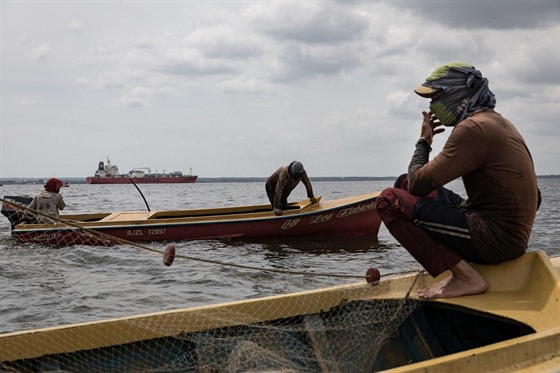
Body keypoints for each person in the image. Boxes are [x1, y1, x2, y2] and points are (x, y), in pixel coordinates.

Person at [376, 62, 540, 299]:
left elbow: (419, 184)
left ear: (459, 95)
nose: (432, 106)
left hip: (496, 240)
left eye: (437, 97)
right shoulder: (497, 122)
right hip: (505, 233)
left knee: (389, 201)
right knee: (402, 183)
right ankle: (453, 263)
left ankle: (465, 276)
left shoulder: (472, 128)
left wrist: (424, 142)